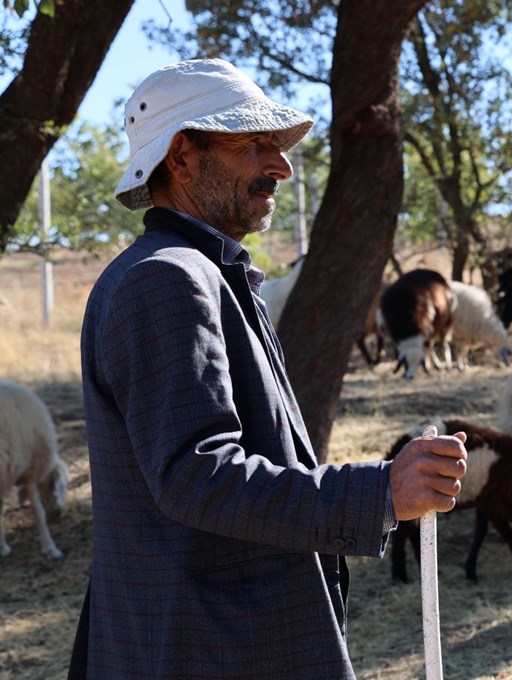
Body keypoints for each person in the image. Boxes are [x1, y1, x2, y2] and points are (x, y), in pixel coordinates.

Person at [69, 58, 468, 679]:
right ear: (181, 156)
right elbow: (195, 474)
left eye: (277, 146)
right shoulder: (166, 279)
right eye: (253, 144)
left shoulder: (204, 273)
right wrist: (379, 492)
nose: (280, 165)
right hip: (209, 651)